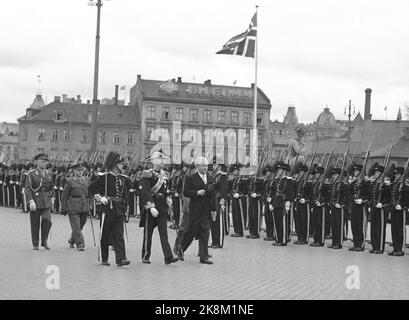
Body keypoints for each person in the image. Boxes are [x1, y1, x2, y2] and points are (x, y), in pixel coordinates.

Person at [88, 151, 130, 267]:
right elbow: (91, 189)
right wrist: (100, 198)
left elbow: (124, 195)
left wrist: (125, 209)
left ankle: (121, 258)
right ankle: (104, 257)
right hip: (107, 208)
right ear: (114, 164)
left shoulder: (122, 179)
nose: (122, 165)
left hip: (119, 209)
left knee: (119, 234)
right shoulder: (104, 177)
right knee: (105, 234)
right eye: (120, 163)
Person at [139, 151, 179, 265]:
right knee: (148, 233)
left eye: (163, 160)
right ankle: (145, 256)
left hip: (162, 206)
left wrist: (167, 198)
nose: (163, 162)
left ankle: (168, 257)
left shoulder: (164, 175)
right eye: (160, 159)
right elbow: (145, 192)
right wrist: (151, 206)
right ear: (153, 161)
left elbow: (165, 190)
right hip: (152, 206)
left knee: (164, 233)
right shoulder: (147, 174)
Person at [177, 156, 216, 264]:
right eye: (203, 166)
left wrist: (214, 210)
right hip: (195, 209)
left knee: (205, 232)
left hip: (206, 210)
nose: (205, 168)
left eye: (206, 166)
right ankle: (180, 249)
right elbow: (185, 192)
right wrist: (197, 193)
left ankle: (204, 257)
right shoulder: (191, 178)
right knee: (191, 232)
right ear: (197, 166)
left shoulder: (211, 178)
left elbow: (213, 195)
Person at [25, 153, 55, 250]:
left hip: (46, 201)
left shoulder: (49, 173)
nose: (44, 163)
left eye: (45, 162)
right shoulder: (32, 173)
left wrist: (53, 197)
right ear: (37, 162)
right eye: (42, 161)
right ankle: (35, 243)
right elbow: (28, 189)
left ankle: (44, 241)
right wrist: (30, 201)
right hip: (36, 201)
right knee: (35, 223)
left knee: (47, 220)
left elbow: (52, 187)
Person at [60, 162, 90, 251]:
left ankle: (72, 239)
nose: (80, 172)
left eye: (81, 170)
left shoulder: (87, 180)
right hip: (73, 206)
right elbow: (65, 195)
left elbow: (90, 191)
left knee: (80, 226)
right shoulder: (70, 181)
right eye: (78, 170)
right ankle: (80, 244)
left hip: (84, 206)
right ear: (74, 171)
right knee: (76, 226)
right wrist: (63, 207)